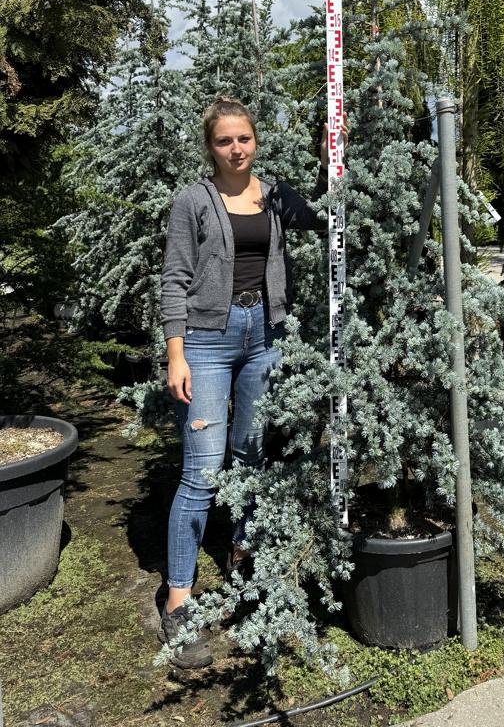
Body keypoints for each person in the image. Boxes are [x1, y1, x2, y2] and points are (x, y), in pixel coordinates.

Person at [158, 95, 346, 669]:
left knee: (252, 456)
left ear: (255, 140)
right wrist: (176, 355)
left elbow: (328, 220)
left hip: (265, 336)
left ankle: (246, 564)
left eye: (244, 138)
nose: (236, 149)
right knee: (203, 468)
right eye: (224, 141)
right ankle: (178, 598)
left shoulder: (275, 195)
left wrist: (326, 160)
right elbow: (175, 278)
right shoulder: (194, 201)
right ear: (209, 147)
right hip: (208, 341)